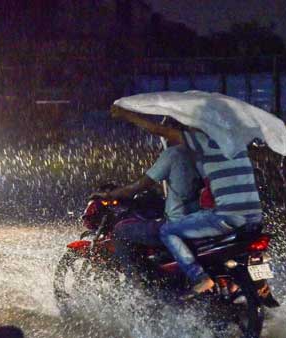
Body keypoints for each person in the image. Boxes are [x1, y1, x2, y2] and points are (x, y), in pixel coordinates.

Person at [110, 104, 263, 296]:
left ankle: (157, 286)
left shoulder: (198, 145)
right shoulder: (235, 145)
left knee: (144, 230)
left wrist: (127, 115)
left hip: (228, 217)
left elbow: (140, 184)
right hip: (255, 218)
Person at [95, 112, 201, 279]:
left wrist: (111, 194)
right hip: (204, 220)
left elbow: (139, 186)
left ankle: (139, 285)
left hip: (179, 222)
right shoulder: (204, 153)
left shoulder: (174, 154)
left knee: (121, 231)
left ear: (170, 133)